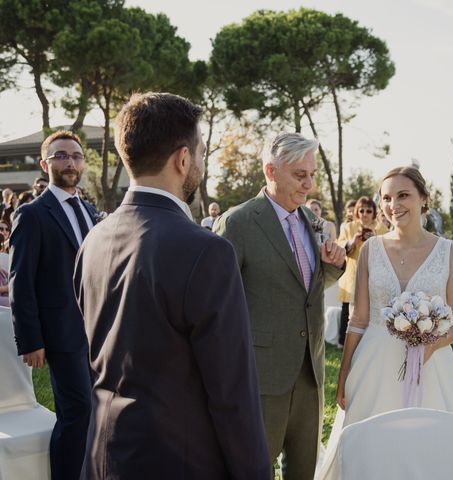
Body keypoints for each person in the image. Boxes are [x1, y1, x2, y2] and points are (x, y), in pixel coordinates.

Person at [73, 92, 269, 480]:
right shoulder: (206, 251)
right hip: (177, 461)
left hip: (101, 455)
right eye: (200, 154)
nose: (199, 164)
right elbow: (232, 394)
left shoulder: (92, 240)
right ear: (183, 160)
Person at [320, 166, 453, 479]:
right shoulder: (371, 249)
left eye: (403, 195)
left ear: (424, 199)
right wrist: (345, 371)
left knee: (429, 447)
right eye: (386, 197)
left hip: (431, 366)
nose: (393, 204)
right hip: (373, 364)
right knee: (370, 449)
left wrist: (433, 344)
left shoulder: (448, 252)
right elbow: (359, 319)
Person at [214, 132, 346, 479]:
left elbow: (302, 289)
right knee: (252, 470)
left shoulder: (311, 222)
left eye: (312, 174)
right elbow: (215, 300)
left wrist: (332, 265)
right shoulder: (238, 222)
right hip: (259, 376)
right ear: (270, 171)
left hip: (310, 373)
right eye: (300, 175)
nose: (309, 184)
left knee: (303, 471)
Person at [10, 130, 96, 480]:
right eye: (61, 155)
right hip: (61, 333)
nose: (70, 162)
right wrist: (31, 340)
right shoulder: (32, 214)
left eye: (75, 156)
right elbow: (21, 280)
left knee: (98, 410)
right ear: (46, 164)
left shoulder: (90, 211)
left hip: (99, 331)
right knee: (77, 412)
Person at [336, 196, 388, 347]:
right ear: (357, 212)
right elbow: (339, 245)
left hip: (374, 275)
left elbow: (390, 250)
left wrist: (376, 239)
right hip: (351, 274)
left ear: (373, 212)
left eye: (368, 211)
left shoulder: (381, 229)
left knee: (370, 307)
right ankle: (342, 341)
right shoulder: (348, 227)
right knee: (347, 309)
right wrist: (352, 242)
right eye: (361, 210)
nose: (365, 214)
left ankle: (367, 339)